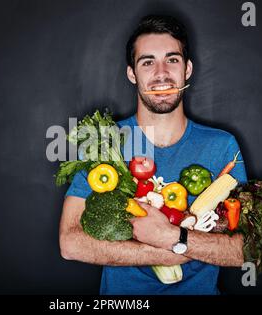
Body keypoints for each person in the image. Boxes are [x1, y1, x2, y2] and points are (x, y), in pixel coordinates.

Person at [59, 15, 247, 295]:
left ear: (187, 69)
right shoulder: (104, 142)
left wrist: (172, 236)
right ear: (132, 74)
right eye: (147, 62)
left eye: (172, 60)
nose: (161, 74)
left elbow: (242, 250)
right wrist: (166, 251)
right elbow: (70, 243)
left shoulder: (222, 146)